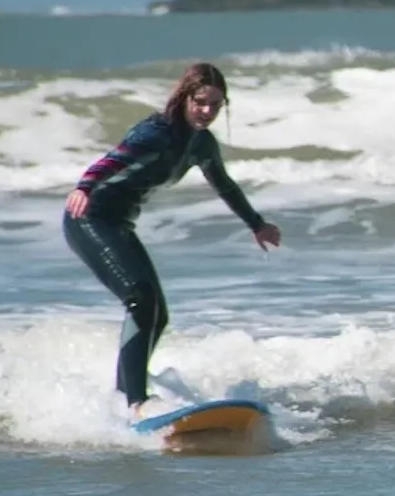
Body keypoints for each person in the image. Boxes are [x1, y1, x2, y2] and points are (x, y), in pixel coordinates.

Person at [63, 63, 282, 417]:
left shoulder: (202, 144)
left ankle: (124, 396)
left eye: (216, 104)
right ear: (184, 98)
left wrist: (256, 224)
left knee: (157, 314)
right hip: (89, 219)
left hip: (119, 224)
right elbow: (112, 160)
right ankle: (135, 403)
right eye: (200, 102)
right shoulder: (156, 132)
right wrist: (85, 186)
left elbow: (224, 185)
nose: (207, 111)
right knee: (141, 300)